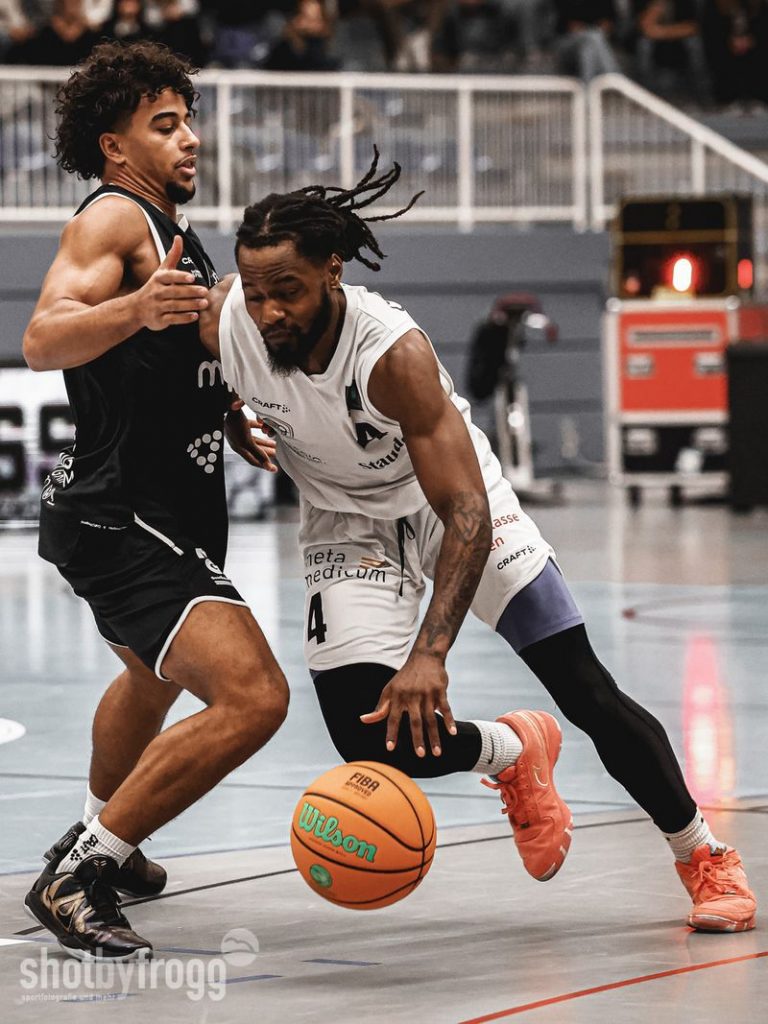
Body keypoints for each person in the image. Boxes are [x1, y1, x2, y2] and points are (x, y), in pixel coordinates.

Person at [201, 152, 756, 934]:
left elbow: (466, 513)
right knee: (373, 740)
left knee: (583, 687)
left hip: (453, 507)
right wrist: (228, 410)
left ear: (332, 272)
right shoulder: (226, 317)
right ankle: (513, 752)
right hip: (346, 524)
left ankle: (704, 855)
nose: (268, 313)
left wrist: (430, 655)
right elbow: (208, 363)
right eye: (256, 294)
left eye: (286, 291)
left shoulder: (391, 354)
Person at [22, 40, 289, 962]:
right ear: (115, 146)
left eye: (188, 121)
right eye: (164, 125)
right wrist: (133, 310)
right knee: (254, 697)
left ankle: (106, 831)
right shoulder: (112, 220)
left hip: (156, 508)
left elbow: (162, 361)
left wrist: (225, 411)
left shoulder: (171, 228)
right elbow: (44, 339)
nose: (189, 139)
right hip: (123, 516)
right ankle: (82, 873)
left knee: (150, 677)